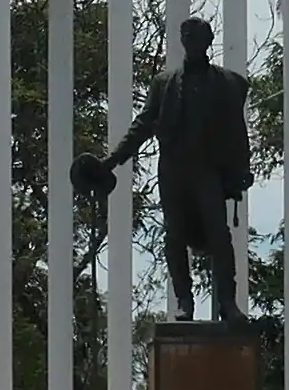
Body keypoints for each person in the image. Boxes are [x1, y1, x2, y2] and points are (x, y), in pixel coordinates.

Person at [72, 17, 252, 321]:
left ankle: (227, 302)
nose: (191, 42)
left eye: (196, 37)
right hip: (173, 170)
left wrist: (240, 172)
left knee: (219, 236)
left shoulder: (229, 84)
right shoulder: (164, 84)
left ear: (208, 41)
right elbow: (142, 126)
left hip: (207, 170)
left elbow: (237, 132)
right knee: (174, 235)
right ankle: (184, 300)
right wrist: (112, 161)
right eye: (186, 37)